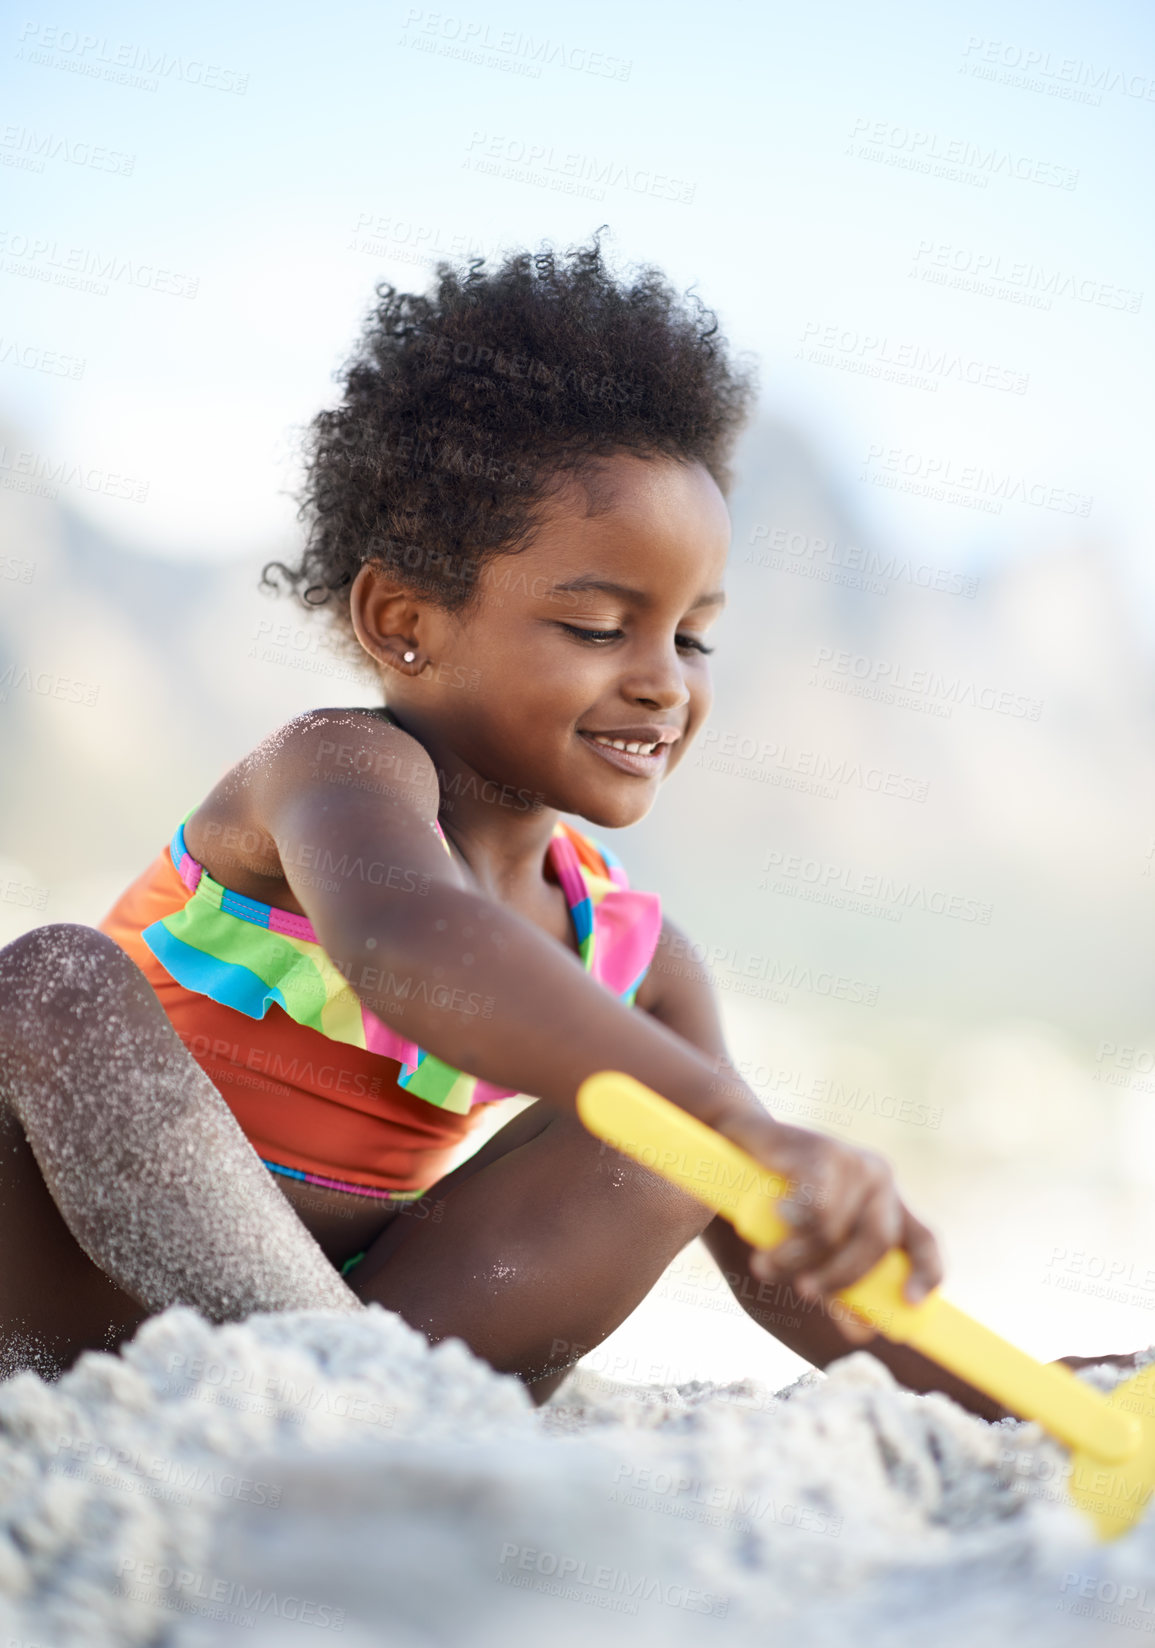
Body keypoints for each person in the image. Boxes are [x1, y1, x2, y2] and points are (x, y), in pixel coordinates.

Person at [0, 238, 1015, 1410]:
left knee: (682, 1140)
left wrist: (1008, 1397)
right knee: (53, 980)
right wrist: (729, 1112)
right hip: (66, 1305)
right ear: (403, 620)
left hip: (386, 1336)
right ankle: (323, 1376)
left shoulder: (637, 953)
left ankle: (345, 1392)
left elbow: (771, 1245)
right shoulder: (334, 771)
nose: (663, 683)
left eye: (691, 637)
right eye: (597, 629)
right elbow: (412, 948)